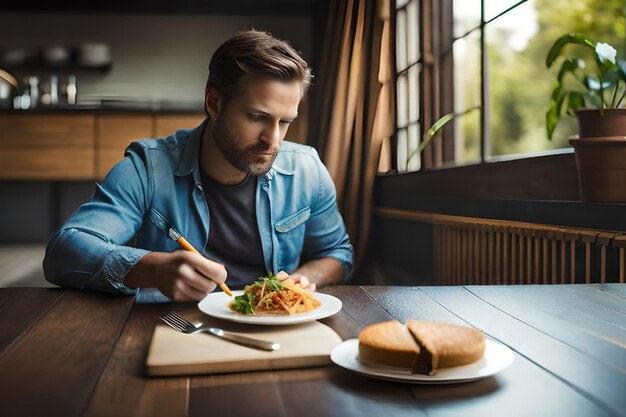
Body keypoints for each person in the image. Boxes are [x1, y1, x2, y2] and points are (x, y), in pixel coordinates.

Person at [43, 30, 353, 301]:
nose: (273, 140)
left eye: (285, 122)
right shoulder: (147, 169)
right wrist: (153, 269)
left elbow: (337, 253)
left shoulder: (308, 170)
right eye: (257, 117)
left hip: (275, 333)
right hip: (179, 328)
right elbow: (63, 253)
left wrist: (305, 278)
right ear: (214, 103)